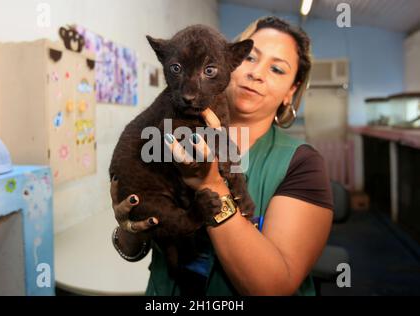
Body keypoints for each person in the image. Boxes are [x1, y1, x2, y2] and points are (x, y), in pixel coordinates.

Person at [110, 16, 333, 296]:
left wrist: (211, 183)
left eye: (277, 69)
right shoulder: (167, 129)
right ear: (232, 61)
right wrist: (130, 233)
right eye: (251, 58)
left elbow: (274, 288)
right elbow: (144, 240)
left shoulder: (303, 165)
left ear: (291, 91)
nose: (257, 73)